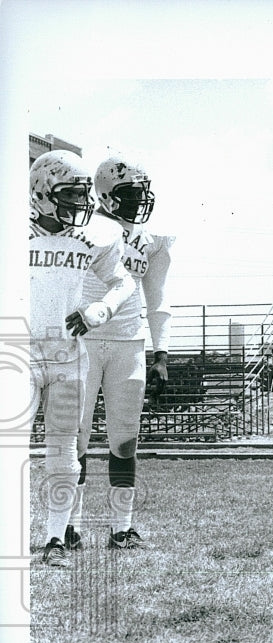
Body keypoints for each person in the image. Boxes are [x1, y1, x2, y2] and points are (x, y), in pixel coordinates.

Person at [28, 150, 135, 567]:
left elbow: (122, 281)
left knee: (64, 449)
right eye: (69, 195)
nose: (79, 204)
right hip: (18, 349)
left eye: (81, 194)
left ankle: (56, 537)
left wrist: (100, 310)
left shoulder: (96, 235)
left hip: (68, 352)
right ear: (41, 192)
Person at [66, 154, 174, 551]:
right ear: (107, 196)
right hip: (85, 341)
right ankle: (68, 527)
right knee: (74, 439)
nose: (139, 200)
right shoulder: (85, 231)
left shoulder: (152, 240)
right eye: (130, 193)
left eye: (143, 192)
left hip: (129, 343)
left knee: (125, 439)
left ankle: (121, 528)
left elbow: (158, 297)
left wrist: (162, 351)